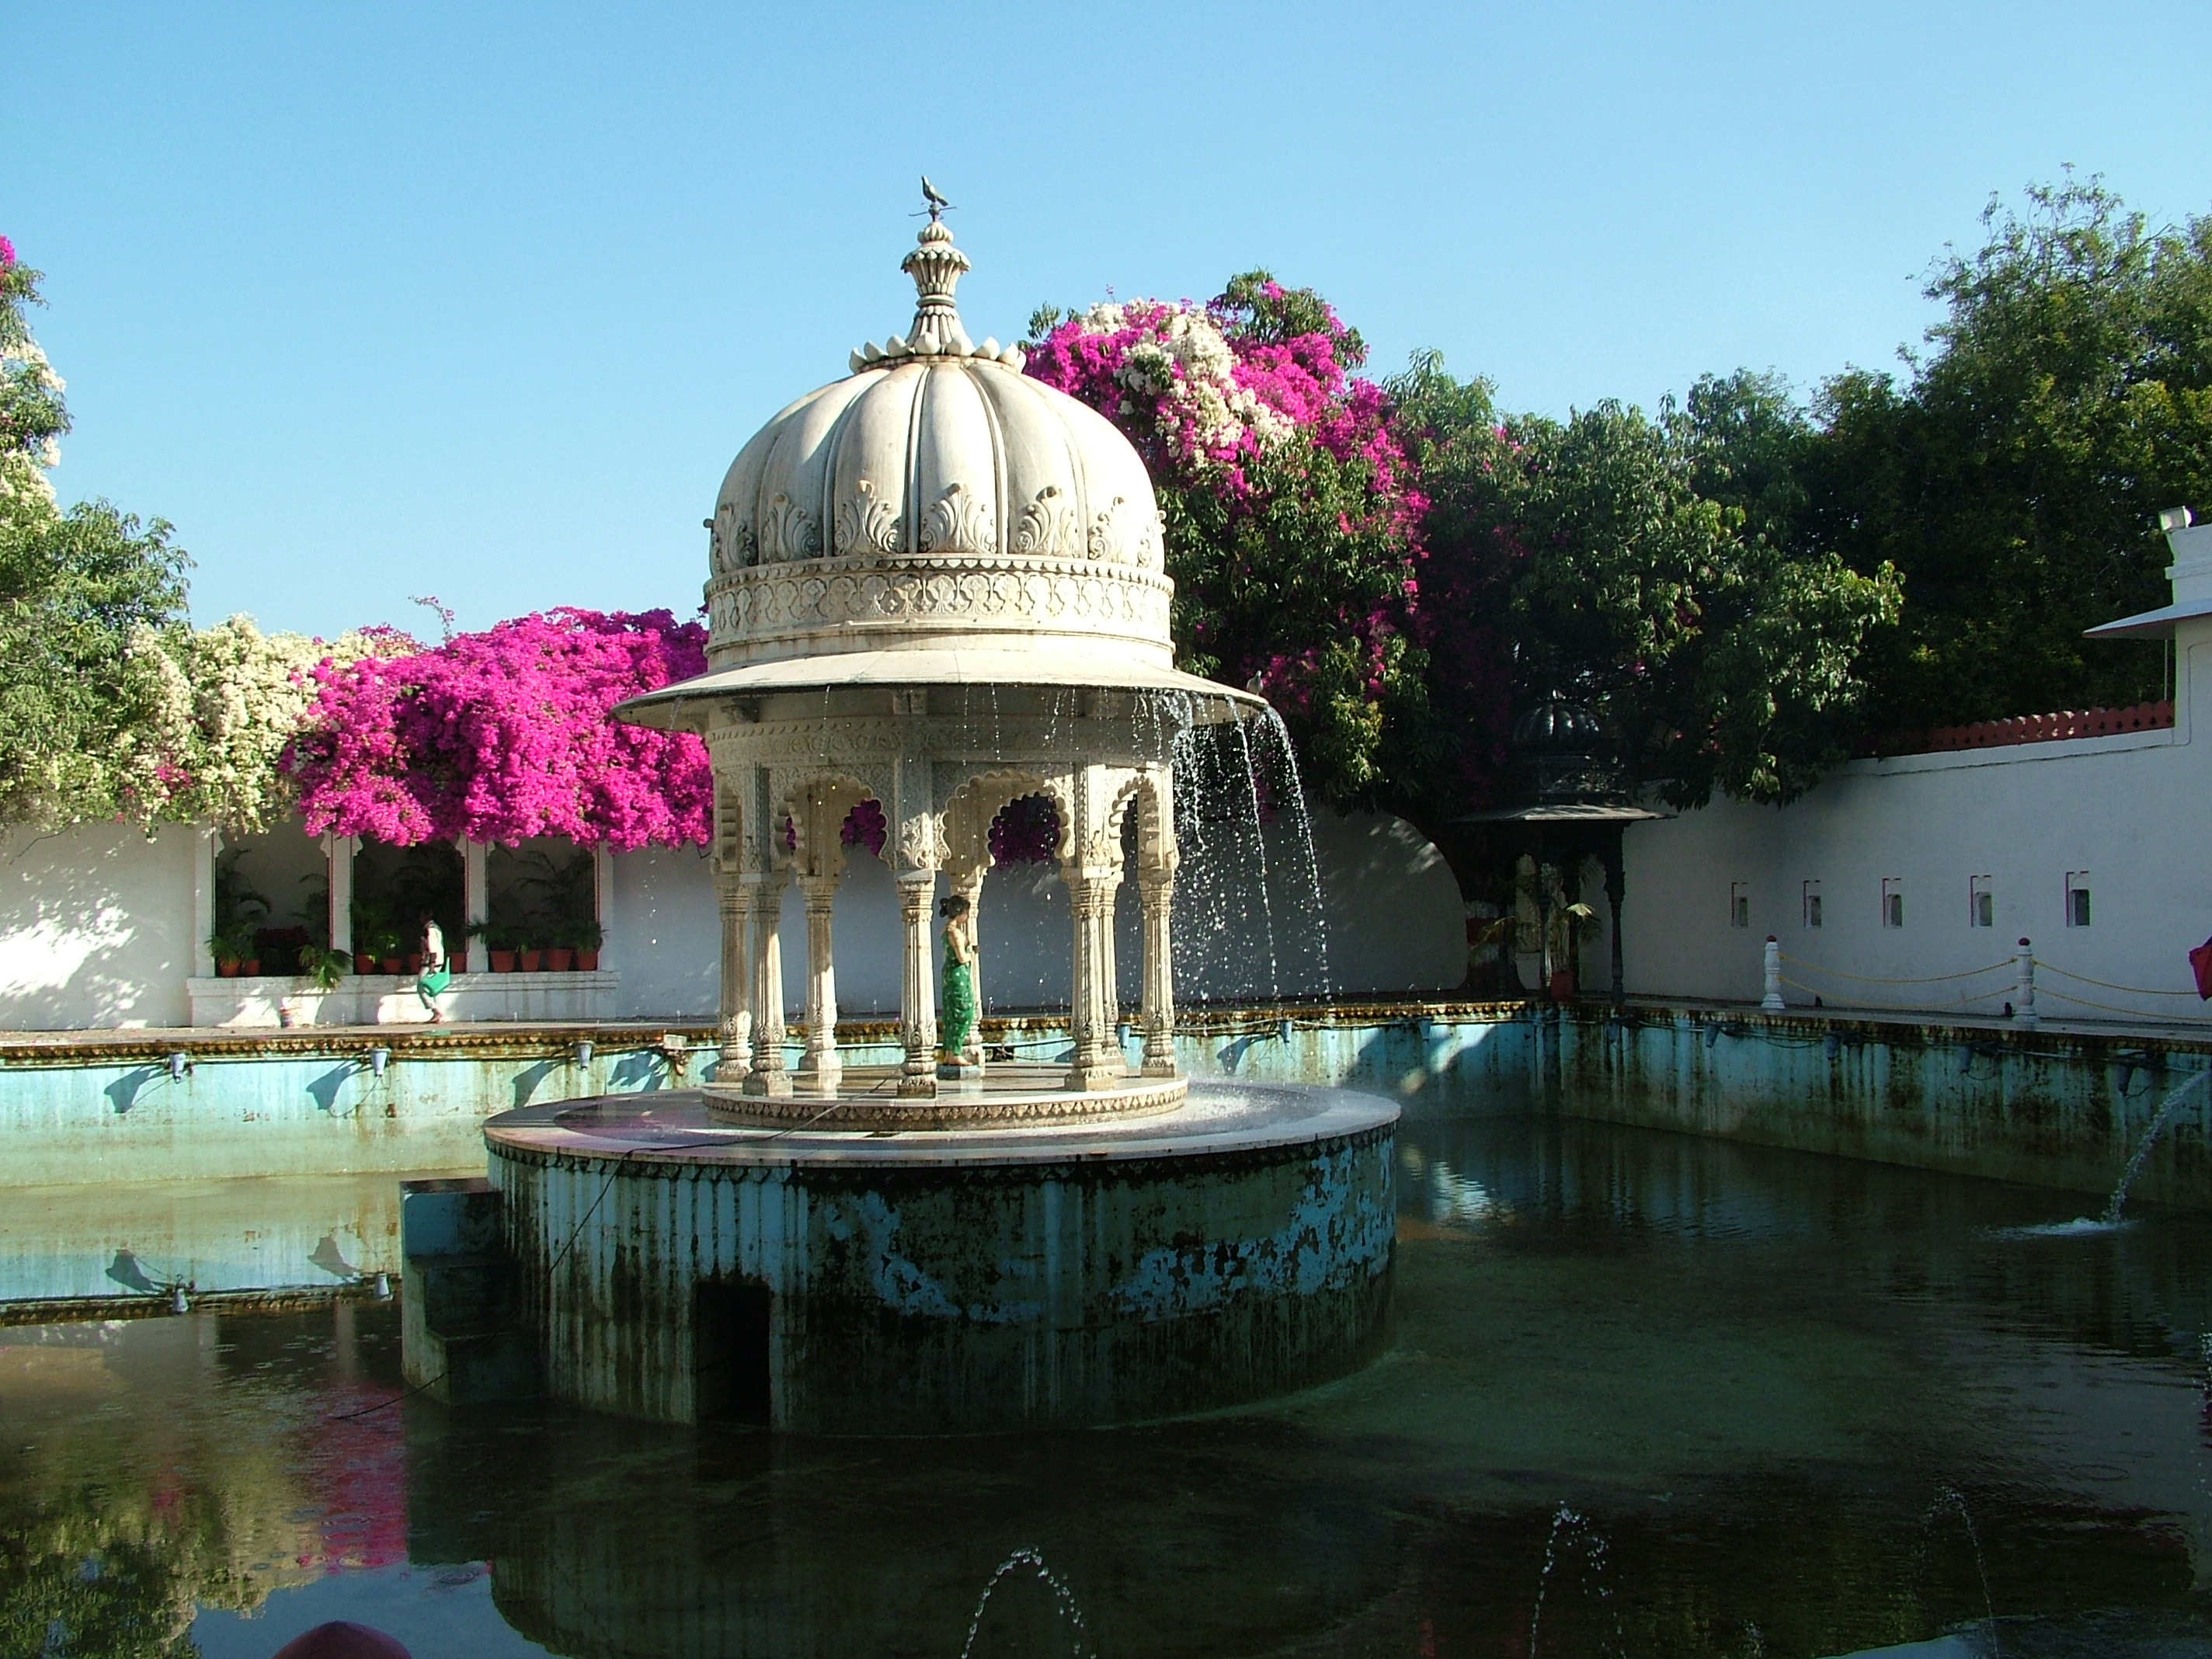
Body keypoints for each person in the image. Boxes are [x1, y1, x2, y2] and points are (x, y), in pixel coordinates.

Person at [938, 893, 977, 1071]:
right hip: (958, 975)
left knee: (951, 1012)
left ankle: (949, 1053)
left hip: (950, 974)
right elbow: (962, 958)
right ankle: (955, 1053)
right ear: (960, 912)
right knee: (965, 1011)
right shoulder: (955, 933)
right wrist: (973, 953)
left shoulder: (946, 930)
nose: (968, 916)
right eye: (966, 912)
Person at [416, 913, 453, 1024]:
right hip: (438, 960)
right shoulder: (436, 928)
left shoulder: (430, 929)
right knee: (432, 988)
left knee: (421, 986)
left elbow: (432, 946)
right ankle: (437, 1014)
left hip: (432, 962)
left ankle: (436, 1011)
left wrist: (431, 964)